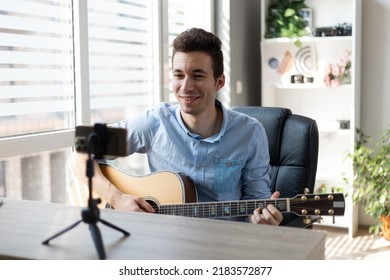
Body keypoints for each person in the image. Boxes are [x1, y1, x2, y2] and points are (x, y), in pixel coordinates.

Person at [69, 28, 283, 226]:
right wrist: (117, 199)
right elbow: (81, 151)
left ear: (219, 82)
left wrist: (263, 221)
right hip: (161, 241)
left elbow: (256, 204)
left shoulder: (250, 133)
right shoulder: (154, 122)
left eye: (198, 76)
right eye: (179, 75)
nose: (186, 86)